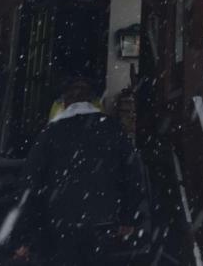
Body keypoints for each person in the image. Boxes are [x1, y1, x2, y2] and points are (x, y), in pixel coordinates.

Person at [12, 77, 149, 265]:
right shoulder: (113, 129)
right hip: (105, 223)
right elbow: (133, 174)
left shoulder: (50, 134)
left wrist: (24, 236)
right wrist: (129, 217)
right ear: (92, 101)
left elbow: (29, 184)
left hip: (58, 226)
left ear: (65, 103)